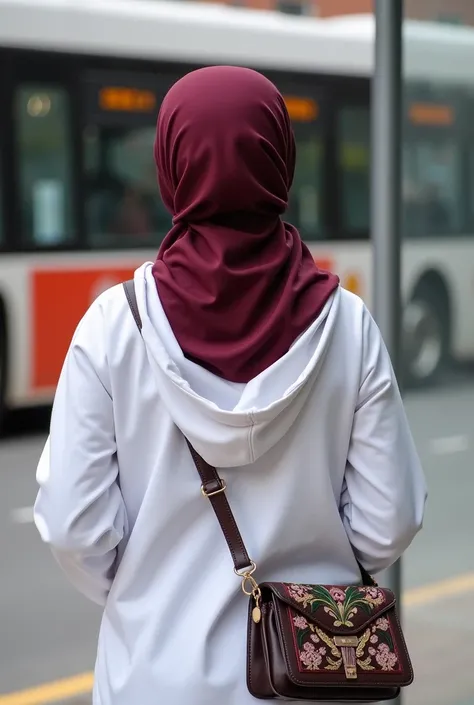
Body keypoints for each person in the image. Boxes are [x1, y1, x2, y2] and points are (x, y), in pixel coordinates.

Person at [34, 66, 427, 705]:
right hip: (314, 677)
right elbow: (390, 520)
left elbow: (75, 527)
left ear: (171, 165)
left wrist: (153, 597)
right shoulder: (347, 322)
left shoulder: (113, 325)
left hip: (154, 679)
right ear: (280, 159)